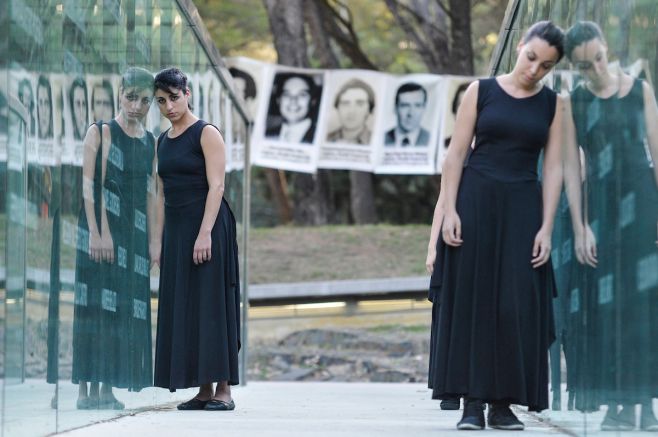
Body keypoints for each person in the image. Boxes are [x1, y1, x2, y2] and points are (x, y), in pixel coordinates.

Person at [426, 21, 565, 430]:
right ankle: (472, 403)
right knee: (473, 300)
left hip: (523, 206)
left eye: (546, 66)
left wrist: (547, 228)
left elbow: (554, 168)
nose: (535, 69)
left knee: (514, 304)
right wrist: (449, 210)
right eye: (532, 57)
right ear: (520, 46)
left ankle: (503, 403)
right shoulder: (480, 91)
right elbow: (454, 157)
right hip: (475, 200)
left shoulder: (553, 104)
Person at [563, 21, 658, 432]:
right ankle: (619, 402)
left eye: (599, 58)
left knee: (644, 307)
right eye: (586, 65)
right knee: (608, 307)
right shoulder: (575, 102)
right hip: (600, 211)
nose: (597, 69)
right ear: (576, 67)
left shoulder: (640, 90)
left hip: (642, 203)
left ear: (606, 49)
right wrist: (581, 225)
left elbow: (657, 151)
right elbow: (570, 169)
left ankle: (644, 404)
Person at [152, 67, 240, 411]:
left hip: (208, 225)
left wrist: (205, 233)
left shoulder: (206, 133)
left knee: (212, 305)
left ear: (187, 93)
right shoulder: (162, 140)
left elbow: (217, 186)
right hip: (177, 229)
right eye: (161, 101)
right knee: (187, 305)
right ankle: (203, 390)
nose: (169, 106)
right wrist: (158, 243)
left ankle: (224, 391)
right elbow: (160, 193)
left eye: (174, 97)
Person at [72, 67, 156, 409]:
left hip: (131, 235)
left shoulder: (150, 141)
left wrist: (154, 242)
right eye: (130, 97)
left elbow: (152, 194)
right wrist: (96, 232)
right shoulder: (101, 131)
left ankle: (107, 387)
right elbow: (90, 185)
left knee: (120, 309)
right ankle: (84, 390)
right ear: (120, 93)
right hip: (98, 227)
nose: (136, 106)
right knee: (93, 307)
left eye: (145, 100)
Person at [265, 72, 320, 144]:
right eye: (287, 94)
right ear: (278, 100)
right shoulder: (267, 134)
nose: (293, 101)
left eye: (302, 95)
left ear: (313, 101)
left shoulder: (317, 135)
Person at [327, 78, 374, 144]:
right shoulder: (327, 138)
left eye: (359, 104)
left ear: (369, 110)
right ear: (337, 107)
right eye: (345, 103)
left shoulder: (376, 140)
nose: (351, 111)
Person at [384, 82, 430, 147]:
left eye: (417, 106)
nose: (410, 113)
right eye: (405, 105)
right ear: (395, 108)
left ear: (424, 108)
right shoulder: (382, 139)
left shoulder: (431, 139)